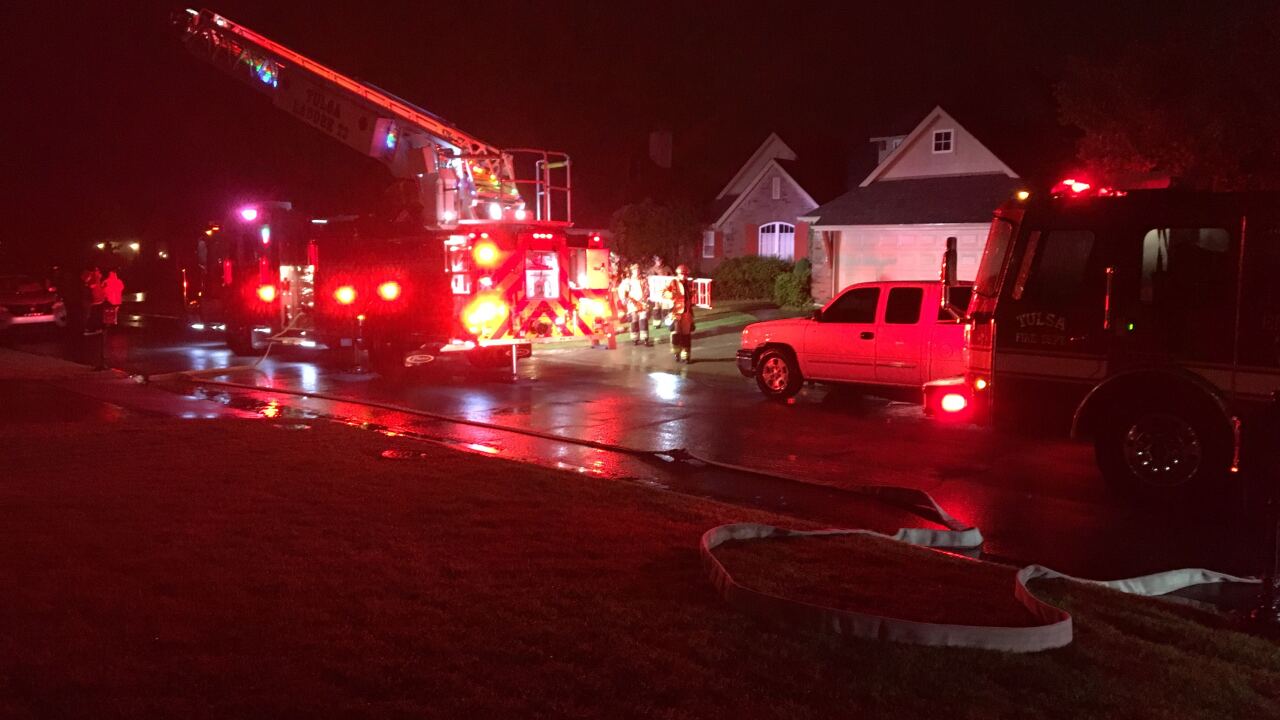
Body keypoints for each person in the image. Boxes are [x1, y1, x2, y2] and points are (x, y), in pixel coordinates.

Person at [662, 264, 696, 363]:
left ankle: (686, 356)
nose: (684, 276)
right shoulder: (673, 282)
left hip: (686, 312)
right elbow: (663, 292)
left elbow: (689, 296)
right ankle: (676, 353)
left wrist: (693, 293)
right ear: (678, 274)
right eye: (682, 274)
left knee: (686, 335)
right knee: (676, 334)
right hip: (675, 312)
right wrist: (671, 294)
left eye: (685, 274)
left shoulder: (688, 284)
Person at [616, 264, 652, 346]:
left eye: (638, 270)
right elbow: (623, 291)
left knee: (643, 319)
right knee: (634, 319)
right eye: (635, 270)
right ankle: (635, 338)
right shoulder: (628, 282)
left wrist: (647, 297)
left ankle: (645, 338)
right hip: (633, 303)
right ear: (632, 271)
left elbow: (648, 289)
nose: (637, 271)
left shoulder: (644, 280)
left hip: (642, 302)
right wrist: (625, 299)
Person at [649, 255, 673, 329]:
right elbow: (649, 280)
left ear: (662, 260)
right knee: (656, 308)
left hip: (666, 291)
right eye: (657, 260)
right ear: (654, 261)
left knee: (665, 308)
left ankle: (667, 322)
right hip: (656, 291)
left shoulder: (667, 268)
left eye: (659, 260)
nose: (658, 261)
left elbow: (672, 277)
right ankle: (657, 323)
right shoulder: (652, 270)